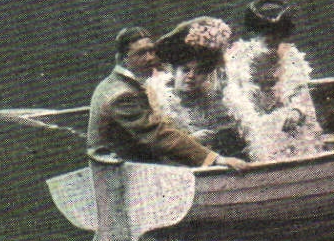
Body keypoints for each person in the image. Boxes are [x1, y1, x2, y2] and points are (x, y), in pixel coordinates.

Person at [86, 26, 246, 169]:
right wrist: (215, 159)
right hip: (116, 171)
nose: (150, 58)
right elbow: (157, 134)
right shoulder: (122, 93)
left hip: (134, 163)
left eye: (151, 51)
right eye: (141, 53)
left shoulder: (123, 84)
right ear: (123, 59)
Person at [221, 0, 325, 161]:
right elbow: (235, 99)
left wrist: (296, 111)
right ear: (255, 33)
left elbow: (300, 93)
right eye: (265, 33)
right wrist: (260, 125)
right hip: (252, 125)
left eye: (277, 33)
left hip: (289, 126)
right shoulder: (237, 60)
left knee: (303, 134)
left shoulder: (291, 57)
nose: (271, 38)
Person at [151, 16, 248, 160]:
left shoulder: (212, 101)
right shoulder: (156, 102)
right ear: (173, 71)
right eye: (185, 70)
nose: (191, 76)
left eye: (200, 71)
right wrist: (191, 141)